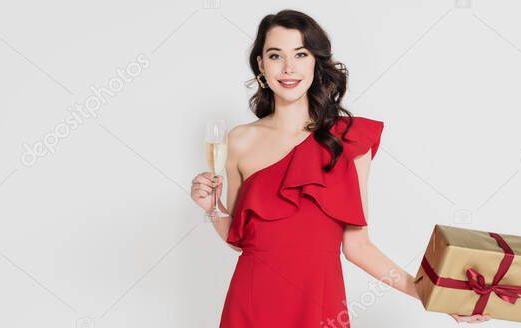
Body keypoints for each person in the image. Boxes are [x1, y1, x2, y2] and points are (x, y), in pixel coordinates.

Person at [190, 9, 490, 327]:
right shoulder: (239, 140)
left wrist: (430, 295)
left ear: (315, 63)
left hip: (320, 306)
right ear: (262, 65)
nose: (288, 68)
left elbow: (359, 248)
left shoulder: (347, 141)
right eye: (276, 55)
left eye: (301, 54)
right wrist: (212, 208)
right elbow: (241, 239)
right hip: (251, 304)